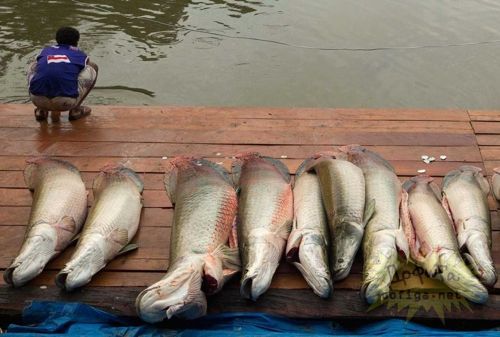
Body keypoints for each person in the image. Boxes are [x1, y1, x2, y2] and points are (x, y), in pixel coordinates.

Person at [28, 27, 98, 122]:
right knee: (93, 67)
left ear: (57, 39)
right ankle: (75, 110)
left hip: (37, 100)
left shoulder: (45, 51)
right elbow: (86, 66)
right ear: (76, 41)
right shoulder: (80, 54)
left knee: (34, 65)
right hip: (65, 102)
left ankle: (41, 110)